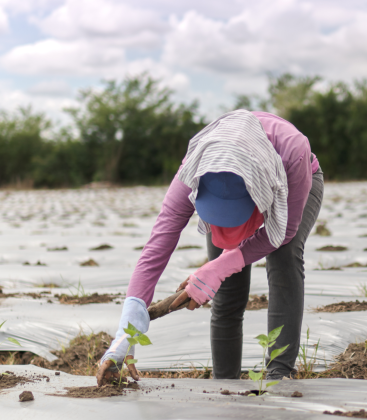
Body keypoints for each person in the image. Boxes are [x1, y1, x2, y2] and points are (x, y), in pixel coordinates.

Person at [96, 109, 323, 385]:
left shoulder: (294, 151)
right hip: (230, 181)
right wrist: (127, 329)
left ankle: (280, 374)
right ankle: (224, 383)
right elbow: (157, 246)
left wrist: (220, 267)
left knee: (284, 258)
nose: (224, 231)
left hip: (294, 181)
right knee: (227, 291)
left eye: (232, 220)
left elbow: (283, 233)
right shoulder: (195, 168)